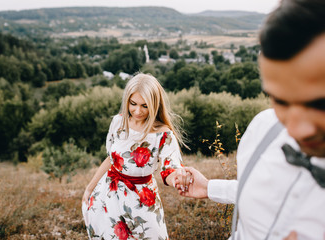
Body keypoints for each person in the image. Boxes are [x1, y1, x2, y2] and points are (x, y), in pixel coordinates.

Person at [179, 0, 325, 239]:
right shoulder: (262, 128)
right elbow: (264, 192)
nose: (297, 129)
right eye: (280, 100)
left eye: (319, 104)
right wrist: (209, 188)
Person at [82, 73, 192, 239]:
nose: (137, 111)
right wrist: (89, 188)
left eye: (145, 106)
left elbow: (171, 169)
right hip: (108, 194)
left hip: (142, 199)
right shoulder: (118, 123)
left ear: (155, 105)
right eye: (133, 104)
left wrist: (178, 178)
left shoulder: (163, 135)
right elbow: (111, 159)